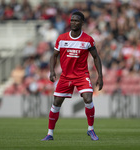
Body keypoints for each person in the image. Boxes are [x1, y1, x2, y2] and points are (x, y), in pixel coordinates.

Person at [41, 11, 103, 141]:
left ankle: (90, 129)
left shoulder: (88, 39)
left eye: (76, 20)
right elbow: (54, 56)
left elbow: (96, 58)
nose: (73, 22)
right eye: (72, 20)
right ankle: (50, 134)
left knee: (88, 98)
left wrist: (100, 76)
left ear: (82, 23)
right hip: (66, 76)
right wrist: (52, 71)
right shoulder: (62, 38)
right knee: (56, 103)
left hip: (82, 75)